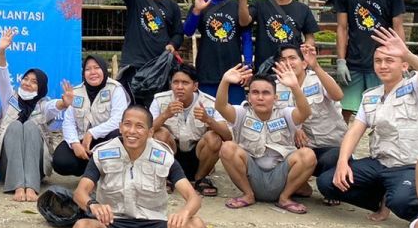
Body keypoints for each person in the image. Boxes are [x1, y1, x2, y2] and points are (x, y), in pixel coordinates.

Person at [317, 27, 418, 221]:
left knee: (401, 202)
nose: (383, 65)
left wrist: (406, 53)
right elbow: (354, 131)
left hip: (412, 167)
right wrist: (342, 163)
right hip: (380, 164)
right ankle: (381, 198)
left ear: (404, 65)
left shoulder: (417, 88)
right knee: (327, 183)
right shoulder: (370, 96)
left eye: (390, 60)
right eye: (378, 61)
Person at [71, 106, 208, 228]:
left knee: (196, 224)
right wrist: (92, 205)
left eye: (139, 126)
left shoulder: (163, 156)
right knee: (82, 227)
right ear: (120, 127)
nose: (132, 131)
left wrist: (184, 212)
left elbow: (193, 198)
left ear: (150, 132)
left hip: (154, 224)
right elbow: (80, 192)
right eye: (127, 124)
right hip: (115, 223)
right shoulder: (103, 153)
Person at [215, 64, 315, 213]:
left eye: (266, 93)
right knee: (228, 147)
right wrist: (225, 81)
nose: (260, 97)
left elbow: (304, 113)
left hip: (281, 176)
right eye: (255, 92)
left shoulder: (285, 113)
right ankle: (248, 195)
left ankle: (285, 198)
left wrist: (295, 87)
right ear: (249, 96)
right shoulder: (242, 112)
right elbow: (221, 106)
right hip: (251, 176)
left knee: (308, 155)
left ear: (275, 97)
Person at [333, 0, 406, 120]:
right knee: (347, 108)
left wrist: (403, 58)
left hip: (383, 60)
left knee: (384, 107)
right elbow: (342, 28)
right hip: (354, 60)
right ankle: (344, 145)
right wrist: (341, 60)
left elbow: (398, 27)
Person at [0, 27, 62, 202]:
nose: (27, 83)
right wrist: (1, 51)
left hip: (37, 167)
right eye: (26, 79)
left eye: (34, 82)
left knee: (31, 126)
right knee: (16, 125)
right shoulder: (10, 99)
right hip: (8, 166)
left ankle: (31, 186)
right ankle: (18, 185)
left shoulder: (43, 105)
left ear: (41, 88)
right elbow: (2, 76)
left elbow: (56, 106)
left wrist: (65, 103)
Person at [114, 0, 183, 102]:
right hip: (134, 65)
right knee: (131, 109)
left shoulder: (172, 6)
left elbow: (178, 33)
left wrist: (172, 45)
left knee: (156, 109)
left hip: (160, 67)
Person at [149, 63, 228, 197]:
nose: (179, 87)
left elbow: (227, 136)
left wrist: (209, 120)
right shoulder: (160, 100)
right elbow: (146, 132)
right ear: (171, 84)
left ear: (195, 86)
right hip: (171, 156)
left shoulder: (209, 102)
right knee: (160, 134)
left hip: (198, 158)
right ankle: (166, 177)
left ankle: (200, 180)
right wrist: (165, 115)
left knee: (214, 137)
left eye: (185, 83)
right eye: (176, 82)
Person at [275, 43, 347, 176]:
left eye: (292, 58)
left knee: (330, 160)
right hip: (300, 149)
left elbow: (338, 95)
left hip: (330, 144)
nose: (288, 63)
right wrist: (294, 127)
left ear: (303, 63)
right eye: (283, 60)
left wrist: (316, 66)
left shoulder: (318, 79)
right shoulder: (276, 87)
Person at [52, 55, 129, 177]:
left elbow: (119, 120)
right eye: (88, 69)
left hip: (106, 139)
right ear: (83, 72)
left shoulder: (115, 89)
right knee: (61, 162)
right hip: (82, 140)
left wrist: (92, 133)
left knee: (119, 136)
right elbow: (69, 122)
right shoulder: (76, 92)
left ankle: (104, 173)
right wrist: (74, 143)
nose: (92, 72)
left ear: (104, 69)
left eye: (96, 68)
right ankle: (88, 170)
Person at [185, 0, 248, 105]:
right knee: (208, 116)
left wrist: (248, 66)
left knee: (236, 115)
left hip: (234, 70)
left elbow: (246, 36)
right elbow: (188, 31)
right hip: (207, 71)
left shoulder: (236, 6)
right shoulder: (200, 4)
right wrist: (196, 11)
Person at [238, 0, 318, 71]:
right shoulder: (260, 4)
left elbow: (310, 37)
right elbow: (244, 21)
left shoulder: (303, 9)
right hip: (266, 70)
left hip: (293, 70)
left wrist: (307, 47)